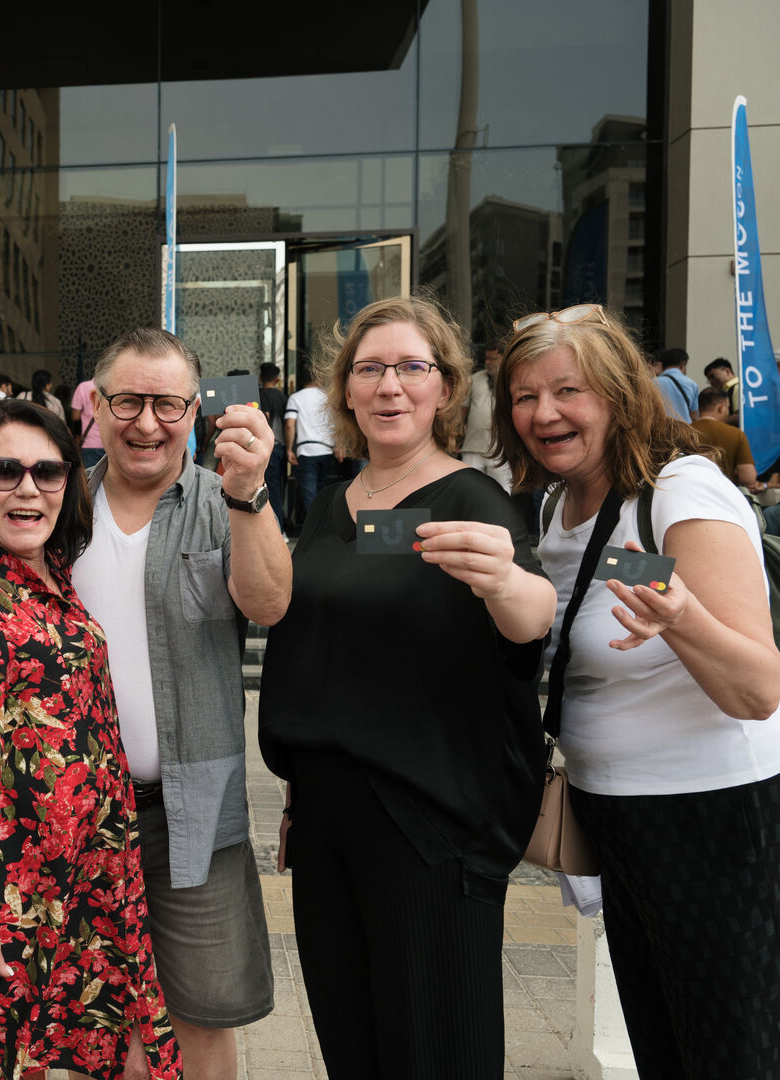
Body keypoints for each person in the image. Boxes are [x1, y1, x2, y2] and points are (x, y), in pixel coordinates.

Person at [0, 327, 291, 1080]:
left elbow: (269, 603)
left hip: (192, 816)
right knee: (97, 1023)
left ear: (194, 411)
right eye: (127, 402)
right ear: (96, 406)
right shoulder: (58, 500)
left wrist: (250, 497)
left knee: (199, 1019)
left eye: (167, 404)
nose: (146, 422)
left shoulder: (223, 502)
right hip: (71, 831)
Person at [259, 295, 554, 1078]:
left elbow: (528, 617)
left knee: (434, 1048)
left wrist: (508, 585)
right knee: (351, 1045)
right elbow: (319, 651)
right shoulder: (334, 504)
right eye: (369, 369)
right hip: (325, 819)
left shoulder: (471, 499)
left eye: (410, 368)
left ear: (444, 388)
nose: (389, 386)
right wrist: (295, 802)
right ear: (345, 392)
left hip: (427, 821)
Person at [497, 303, 780, 1079]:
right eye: (524, 395)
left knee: (730, 1054)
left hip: (708, 820)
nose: (544, 413)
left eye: (568, 390)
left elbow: (758, 689)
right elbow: (596, 604)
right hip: (615, 820)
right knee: (662, 1047)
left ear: (620, 395)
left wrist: (682, 619)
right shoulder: (560, 505)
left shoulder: (678, 493)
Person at [0, 398, 182, 1080]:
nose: (28, 488)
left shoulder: (55, 576)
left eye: (47, 472)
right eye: (6, 471)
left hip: (80, 890)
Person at [284, 368, 337, 526]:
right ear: (318, 379)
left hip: (307, 452)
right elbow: (337, 423)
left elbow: (289, 424)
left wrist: (289, 449)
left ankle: (318, 528)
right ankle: (324, 526)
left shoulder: (295, 398)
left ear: (301, 381)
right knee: (322, 492)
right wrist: (338, 445)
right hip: (327, 450)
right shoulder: (327, 397)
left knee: (308, 494)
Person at [460, 344, 512, 491]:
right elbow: (463, 409)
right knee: (469, 490)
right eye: (487, 358)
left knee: (501, 492)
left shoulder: (511, 379)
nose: (488, 362)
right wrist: (457, 434)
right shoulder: (474, 379)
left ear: (503, 359)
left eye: (493, 359)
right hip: (473, 447)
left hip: (501, 449)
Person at [691, 386, 760, 490]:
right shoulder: (736, 434)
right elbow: (748, 478)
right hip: (724, 493)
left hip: (691, 492)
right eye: (728, 408)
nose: (728, 412)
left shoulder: (683, 432)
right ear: (721, 407)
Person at [259, 362, 288, 522]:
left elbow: (266, 417)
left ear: (260, 378)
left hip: (270, 448)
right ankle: (281, 524)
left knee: (270, 489)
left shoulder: (262, 395)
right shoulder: (283, 397)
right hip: (282, 448)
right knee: (280, 488)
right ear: (277, 379)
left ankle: (278, 527)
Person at [655, 347, 698, 422]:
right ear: (682, 365)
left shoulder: (653, 383)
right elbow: (694, 415)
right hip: (685, 427)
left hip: (660, 426)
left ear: (662, 364)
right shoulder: (692, 384)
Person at [72, 371, 106, 468]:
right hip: (110, 443)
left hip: (89, 444)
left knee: (89, 476)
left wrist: (77, 436)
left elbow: (75, 416)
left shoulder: (83, 387)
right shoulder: (115, 387)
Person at [706, 356, 740, 425]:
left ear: (727, 371)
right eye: (708, 379)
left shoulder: (738, 387)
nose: (711, 382)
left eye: (713, 376)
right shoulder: (724, 391)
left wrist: (715, 424)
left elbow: (740, 416)